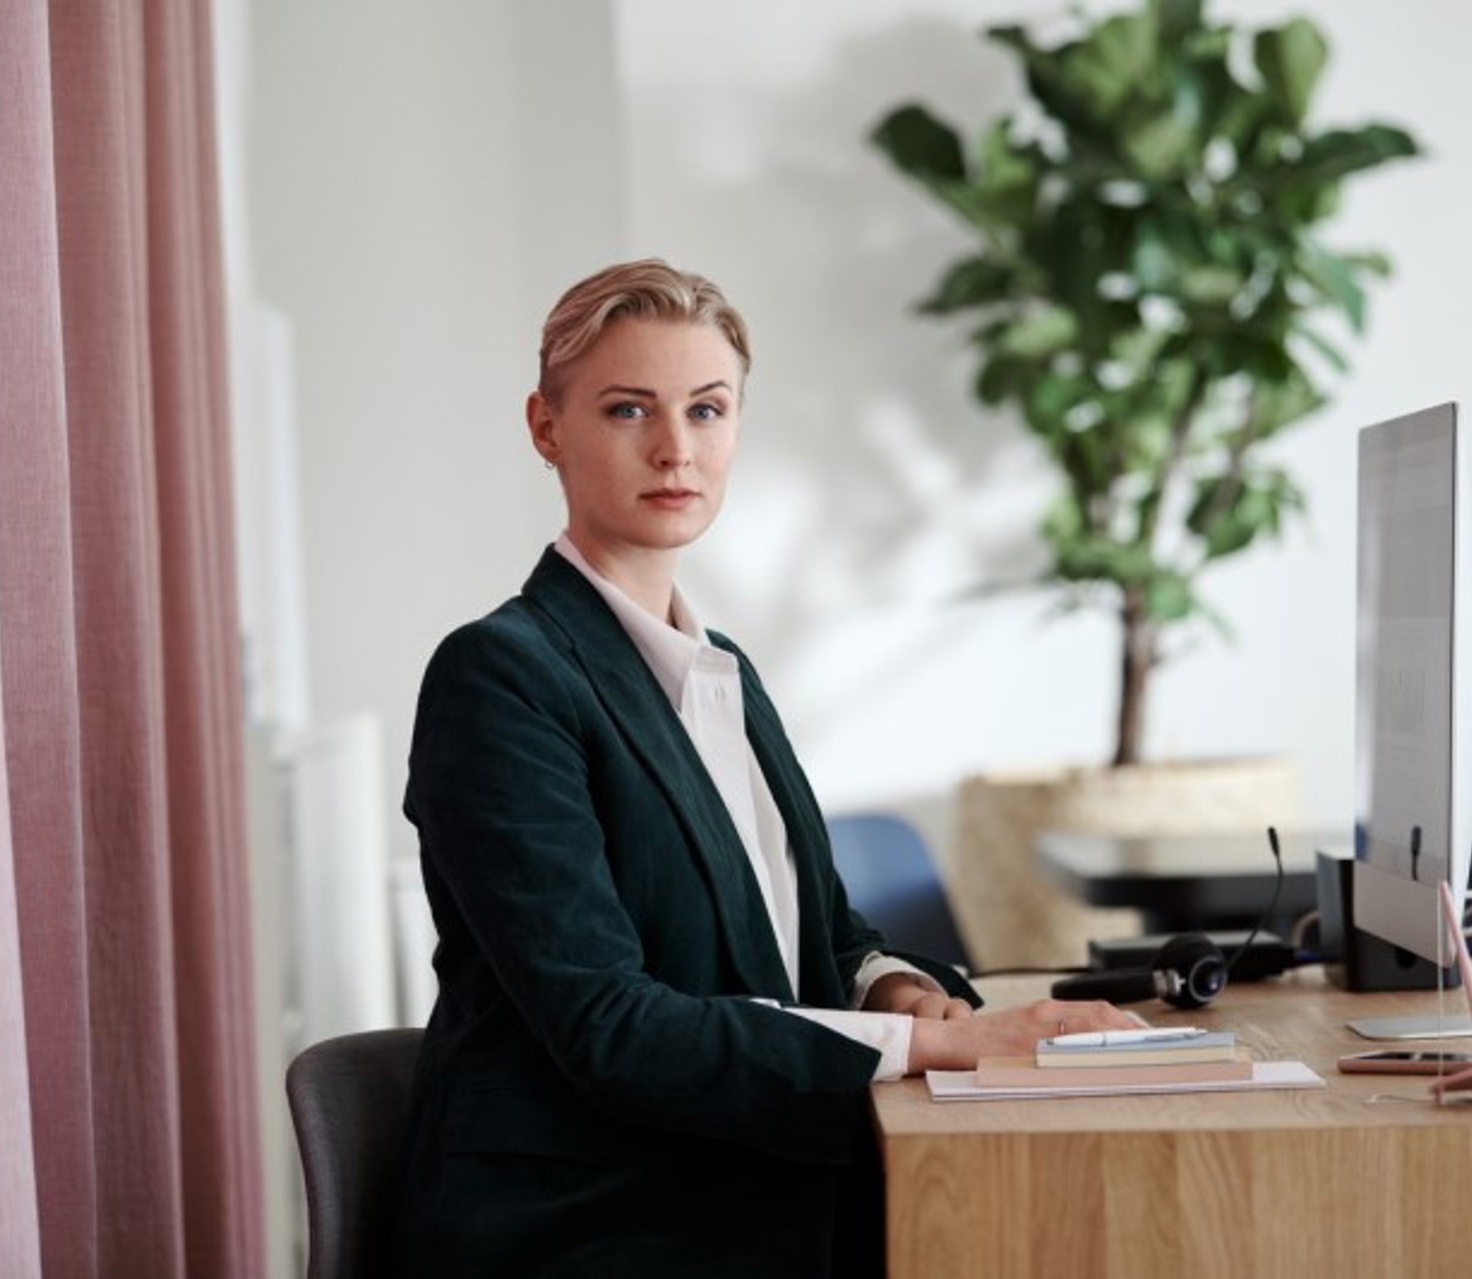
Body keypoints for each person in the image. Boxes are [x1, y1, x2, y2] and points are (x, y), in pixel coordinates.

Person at [395, 259, 1136, 1277]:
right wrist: (946, 1047)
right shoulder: (500, 677)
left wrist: (894, 989)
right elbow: (609, 1026)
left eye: (708, 410)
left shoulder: (722, 671)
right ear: (546, 427)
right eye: (627, 410)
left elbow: (824, 934)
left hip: (757, 1186)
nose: (675, 449)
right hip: (598, 1223)